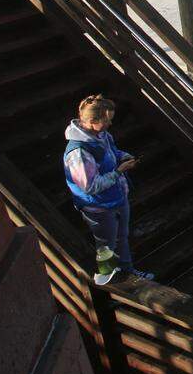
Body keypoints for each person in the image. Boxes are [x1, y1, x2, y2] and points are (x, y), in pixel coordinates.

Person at [64, 95, 153, 285]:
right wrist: (118, 171)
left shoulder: (101, 135)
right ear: (91, 121)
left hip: (117, 198)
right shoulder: (78, 153)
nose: (110, 123)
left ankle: (128, 271)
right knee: (106, 246)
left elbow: (112, 152)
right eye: (107, 120)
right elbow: (90, 186)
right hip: (99, 208)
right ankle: (108, 279)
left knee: (121, 236)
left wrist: (122, 156)